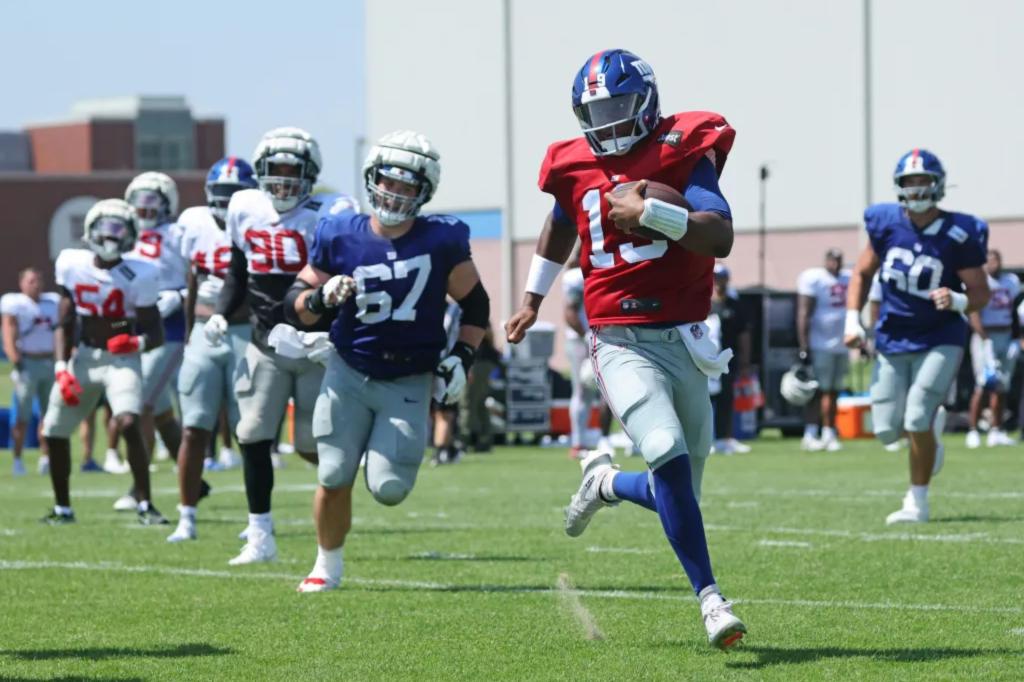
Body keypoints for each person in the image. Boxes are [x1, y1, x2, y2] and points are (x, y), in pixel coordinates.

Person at [504, 49, 746, 650]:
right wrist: (532, 298)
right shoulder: (571, 162)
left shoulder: (682, 146)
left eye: (619, 108)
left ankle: (607, 483)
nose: (608, 123)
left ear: (646, 102)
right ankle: (711, 600)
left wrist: (653, 213)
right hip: (617, 337)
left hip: (685, 337)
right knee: (663, 449)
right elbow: (562, 222)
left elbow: (720, 236)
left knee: (679, 491)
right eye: (596, 112)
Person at [285, 129, 489, 592]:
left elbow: (476, 305)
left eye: (406, 186)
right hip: (348, 369)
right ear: (371, 179)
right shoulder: (340, 232)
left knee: (390, 489)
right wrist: (319, 298)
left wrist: (462, 356)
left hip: (408, 377)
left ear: (424, 192)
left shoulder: (441, 239)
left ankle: (376, 456)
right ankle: (326, 566)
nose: (393, 193)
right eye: (387, 181)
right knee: (333, 473)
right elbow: (294, 303)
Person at [209, 127, 357, 565]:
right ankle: (260, 534)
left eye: (293, 171)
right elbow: (238, 270)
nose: (284, 180)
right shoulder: (245, 206)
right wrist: (221, 311)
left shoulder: (331, 212)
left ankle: (334, 519)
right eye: (276, 170)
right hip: (264, 342)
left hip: (316, 345)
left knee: (315, 446)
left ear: (310, 173)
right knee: (252, 433)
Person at [844, 148, 989, 525]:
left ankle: (917, 501)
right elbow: (862, 273)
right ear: (898, 186)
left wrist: (959, 299)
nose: (917, 187)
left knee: (917, 415)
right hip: (893, 336)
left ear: (938, 184)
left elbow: (981, 292)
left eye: (924, 180)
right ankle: (930, 439)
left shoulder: (960, 231)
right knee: (886, 430)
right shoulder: (885, 222)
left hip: (941, 335)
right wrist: (852, 319)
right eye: (910, 181)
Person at [40, 199, 168, 525]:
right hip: (84, 356)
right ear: (90, 230)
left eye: (119, 230)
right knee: (54, 431)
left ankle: (145, 503)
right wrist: (61, 368)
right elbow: (65, 321)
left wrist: (136, 341)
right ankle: (62, 508)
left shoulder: (140, 273)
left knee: (128, 422)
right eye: (106, 229)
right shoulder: (73, 264)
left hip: (122, 359)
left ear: (130, 235)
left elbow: (156, 333)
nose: (111, 237)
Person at [166, 156, 258, 543]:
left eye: (235, 193)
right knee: (193, 428)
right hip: (205, 331)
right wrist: (190, 332)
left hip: (245, 331)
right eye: (222, 193)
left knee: (250, 431)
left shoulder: (260, 223)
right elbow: (193, 279)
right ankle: (186, 516)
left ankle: (258, 519)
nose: (227, 201)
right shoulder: (194, 222)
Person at [113, 172, 188, 511]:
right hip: (135, 325)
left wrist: (180, 295)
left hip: (169, 328)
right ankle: (193, 477)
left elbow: (201, 272)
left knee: (140, 403)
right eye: (138, 205)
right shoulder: (123, 232)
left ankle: (138, 488)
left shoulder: (179, 233)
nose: (143, 211)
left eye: (151, 204)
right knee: (160, 413)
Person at [1, 268, 61, 476]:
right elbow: (8, 331)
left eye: (38, 280)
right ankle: (18, 459)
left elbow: (61, 330)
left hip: (49, 361)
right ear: (21, 283)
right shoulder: (15, 303)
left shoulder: (52, 302)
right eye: (31, 281)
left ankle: (46, 457)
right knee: (22, 414)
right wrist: (16, 360)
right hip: (27, 362)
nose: (36, 285)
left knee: (50, 414)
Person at [796, 248, 852, 451]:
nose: (835, 264)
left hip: (841, 344)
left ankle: (829, 432)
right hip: (820, 344)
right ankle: (811, 433)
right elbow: (804, 313)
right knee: (817, 391)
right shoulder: (815, 278)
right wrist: (804, 346)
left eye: (838, 260)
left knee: (834, 391)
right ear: (826, 261)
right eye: (832, 260)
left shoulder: (848, 278)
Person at [965, 249, 1020, 448]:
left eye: (996, 259)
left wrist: (1016, 337)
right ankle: (973, 430)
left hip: (1006, 334)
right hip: (985, 337)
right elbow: (973, 313)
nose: (993, 263)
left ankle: (996, 430)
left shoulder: (1011, 281)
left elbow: (1014, 310)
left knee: (1002, 385)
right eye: (989, 260)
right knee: (983, 383)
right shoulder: (979, 282)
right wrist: (985, 339)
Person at [708, 264, 752, 455]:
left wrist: (744, 361)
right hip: (705, 360)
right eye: (715, 278)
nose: (718, 282)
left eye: (721, 277)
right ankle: (705, 439)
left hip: (727, 360)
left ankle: (723, 438)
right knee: (704, 400)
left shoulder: (735, 305)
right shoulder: (703, 303)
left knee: (726, 399)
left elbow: (744, 335)